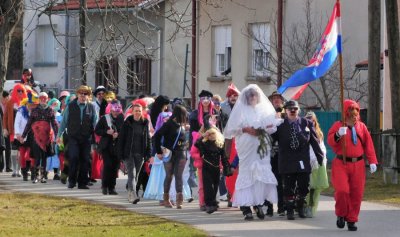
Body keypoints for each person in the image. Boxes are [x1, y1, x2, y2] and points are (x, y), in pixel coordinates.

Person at [223, 84, 281, 221]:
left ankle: (258, 203)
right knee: (247, 174)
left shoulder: (264, 110)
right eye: (250, 96)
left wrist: (267, 127)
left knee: (260, 175)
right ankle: (245, 208)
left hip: (261, 147)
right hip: (246, 147)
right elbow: (230, 130)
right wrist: (245, 129)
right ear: (246, 98)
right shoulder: (241, 111)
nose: (253, 98)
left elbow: (272, 128)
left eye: (255, 95)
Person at [327, 99, 378, 231]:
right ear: (346, 113)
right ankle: (341, 214)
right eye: (351, 112)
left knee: (357, 193)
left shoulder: (362, 127)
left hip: (358, 164)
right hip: (341, 163)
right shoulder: (338, 126)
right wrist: (338, 134)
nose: (354, 115)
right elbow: (331, 141)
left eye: (356, 112)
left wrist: (372, 161)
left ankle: (352, 219)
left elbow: (369, 145)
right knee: (342, 190)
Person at [272, 100, 323, 220]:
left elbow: (314, 141)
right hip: (287, 160)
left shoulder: (306, 123)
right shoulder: (280, 125)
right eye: (290, 109)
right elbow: (271, 139)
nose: (293, 111)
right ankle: (289, 210)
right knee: (288, 187)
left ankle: (300, 207)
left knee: (304, 186)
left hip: (302, 160)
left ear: (298, 110)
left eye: (295, 109)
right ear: (286, 111)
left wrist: (319, 157)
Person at [57, 85, 97, 189]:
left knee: (85, 159)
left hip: (86, 138)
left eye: (85, 94)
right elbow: (64, 122)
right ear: (77, 94)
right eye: (81, 93)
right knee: (73, 157)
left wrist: (97, 137)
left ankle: (82, 183)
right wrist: (58, 135)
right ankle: (72, 181)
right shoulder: (70, 106)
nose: (83, 96)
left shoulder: (91, 107)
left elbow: (95, 123)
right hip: (73, 137)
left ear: (88, 96)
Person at [154, 105, 189, 209]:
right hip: (169, 153)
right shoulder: (168, 124)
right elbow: (157, 135)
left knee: (179, 175)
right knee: (169, 175)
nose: (185, 117)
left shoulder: (182, 125)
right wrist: (158, 151)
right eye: (184, 114)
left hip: (181, 152)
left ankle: (179, 199)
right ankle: (166, 199)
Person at [118, 103, 152, 204]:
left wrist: (148, 152)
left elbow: (148, 139)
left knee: (136, 175)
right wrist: (120, 154)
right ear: (132, 112)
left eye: (139, 111)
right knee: (132, 175)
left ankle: (130, 192)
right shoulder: (127, 123)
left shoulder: (145, 123)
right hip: (129, 153)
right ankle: (133, 195)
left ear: (142, 112)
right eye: (136, 111)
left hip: (140, 153)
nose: (137, 113)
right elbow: (121, 139)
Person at [21, 92, 58, 183]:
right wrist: (23, 135)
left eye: (44, 98)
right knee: (37, 157)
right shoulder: (34, 110)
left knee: (44, 157)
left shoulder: (50, 110)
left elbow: (54, 124)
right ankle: (35, 176)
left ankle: (43, 176)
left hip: (46, 137)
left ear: (47, 99)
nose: (42, 100)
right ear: (39, 99)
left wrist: (58, 136)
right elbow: (29, 124)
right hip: (36, 137)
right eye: (41, 98)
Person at [194, 126, 231, 214]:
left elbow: (224, 158)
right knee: (208, 187)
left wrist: (226, 168)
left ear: (216, 134)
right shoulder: (204, 143)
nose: (211, 135)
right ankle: (209, 205)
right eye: (209, 134)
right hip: (206, 168)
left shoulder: (220, 144)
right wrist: (203, 135)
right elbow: (196, 144)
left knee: (215, 186)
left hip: (216, 168)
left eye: (212, 133)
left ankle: (213, 202)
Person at [95, 100, 124, 195]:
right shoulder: (104, 118)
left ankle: (112, 187)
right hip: (106, 146)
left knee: (115, 167)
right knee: (107, 166)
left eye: (118, 110)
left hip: (118, 147)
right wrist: (106, 132)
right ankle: (104, 186)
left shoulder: (121, 119)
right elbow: (97, 130)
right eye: (114, 110)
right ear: (110, 109)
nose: (116, 112)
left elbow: (125, 132)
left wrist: (118, 134)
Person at [304, 111, 329, 218]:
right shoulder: (303, 132)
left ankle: (311, 207)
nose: (311, 122)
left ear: (315, 121)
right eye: (309, 120)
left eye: (313, 120)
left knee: (315, 187)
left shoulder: (319, 133)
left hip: (318, 163)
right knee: (307, 186)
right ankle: (303, 206)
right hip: (307, 163)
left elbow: (322, 148)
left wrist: (322, 159)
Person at [266, 91, 286, 216]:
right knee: (268, 180)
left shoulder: (286, 114)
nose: (276, 100)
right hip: (268, 151)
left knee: (281, 180)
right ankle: (268, 207)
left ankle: (281, 206)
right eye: (274, 98)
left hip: (282, 152)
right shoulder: (267, 114)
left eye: (278, 98)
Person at [3, 84, 28, 175]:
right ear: (15, 91)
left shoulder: (26, 103)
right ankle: (14, 170)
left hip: (24, 132)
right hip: (13, 131)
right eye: (18, 91)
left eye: (22, 91)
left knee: (21, 152)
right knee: (14, 151)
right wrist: (5, 128)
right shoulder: (10, 102)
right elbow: (5, 117)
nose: (20, 93)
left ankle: (19, 170)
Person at [14, 92, 39, 181]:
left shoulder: (37, 112)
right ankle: (24, 172)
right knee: (22, 154)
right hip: (22, 136)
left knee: (30, 155)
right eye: (31, 104)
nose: (33, 106)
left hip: (33, 136)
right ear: (28, 103)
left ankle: (32, 172)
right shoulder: (21, 111)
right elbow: (16, 123)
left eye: (35, 105)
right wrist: (18, 134)